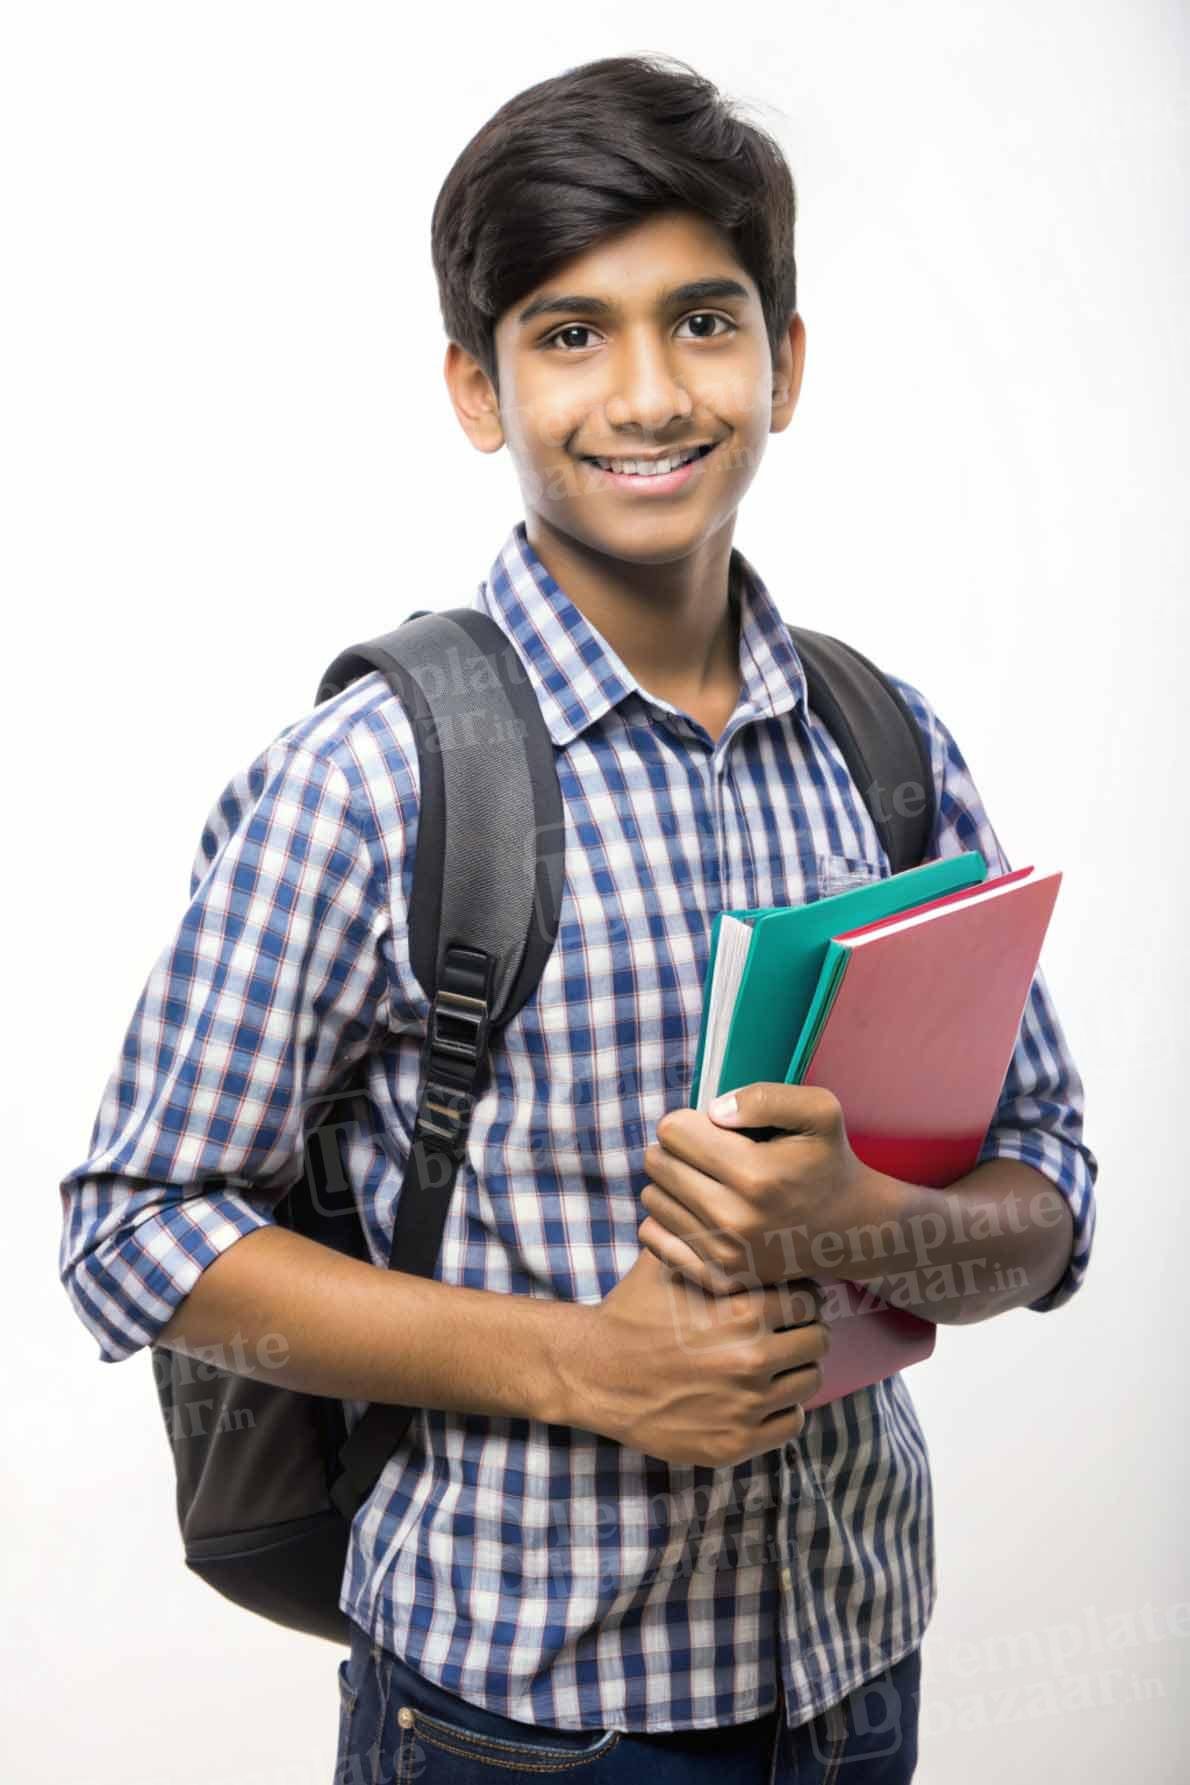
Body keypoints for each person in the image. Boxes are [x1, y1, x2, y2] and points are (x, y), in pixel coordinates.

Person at [58, 53, 1098, 1784]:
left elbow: (1052, 1188)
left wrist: (868, 1220)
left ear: (784, 360)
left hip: (854, 1678)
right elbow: (132, 1230)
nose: (647, 393)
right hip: (514, 1718)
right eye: (567, 333)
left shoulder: (888, 746)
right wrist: (584, 1366)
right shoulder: (375, 773)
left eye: (702, 320)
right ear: (477, 389)